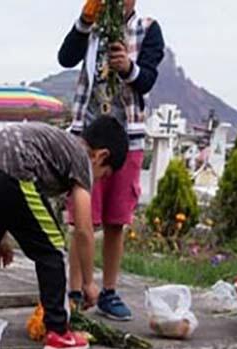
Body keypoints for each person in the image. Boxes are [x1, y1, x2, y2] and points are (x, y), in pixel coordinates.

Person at [0, 117, 128, 349]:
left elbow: (4, 189)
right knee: (52, 249)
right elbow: (84, 229)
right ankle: (58, 332)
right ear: (101, 156)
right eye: (105, 175)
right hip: (12, 172)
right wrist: (88, 283)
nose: (99, 180)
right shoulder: (82, 158)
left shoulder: (58, 144)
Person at [58, 0, 165, 320]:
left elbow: (146, 79)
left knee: (117, 219)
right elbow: (66, 57)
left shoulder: (147, 29)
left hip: (126, 139)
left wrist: (127, 68)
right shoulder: (92, 25)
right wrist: (84, 21)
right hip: (86, 135)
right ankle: (75, 291)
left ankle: (109, 290)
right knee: (81, 215)